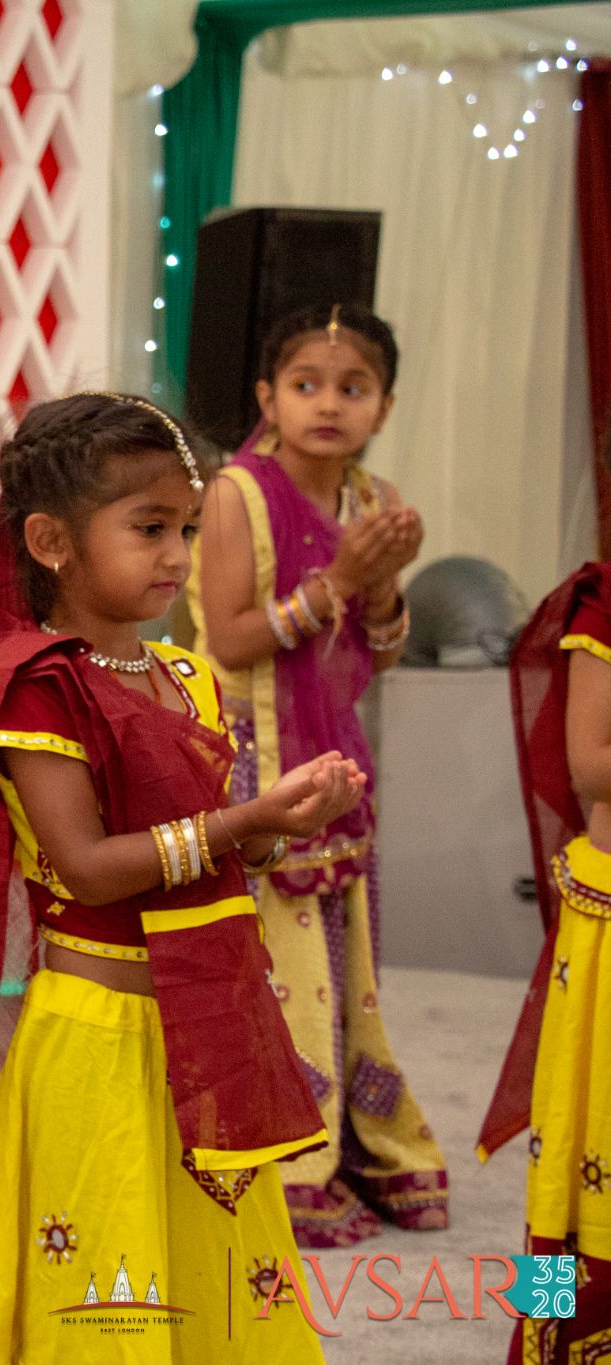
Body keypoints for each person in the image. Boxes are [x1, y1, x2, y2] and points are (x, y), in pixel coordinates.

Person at [0, 392, 362, 1364]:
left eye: (184, 528)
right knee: (102, 1288)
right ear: (51, 540)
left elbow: (220, 854)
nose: (177, 555)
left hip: (207, 1027)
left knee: (215, 1274)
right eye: (148, 529)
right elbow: (87, 870)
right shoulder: (34, 685)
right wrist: (242, 820)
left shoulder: (185, 679)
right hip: (94, 1041)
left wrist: (275, 830)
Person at [188, 302, 448, 1247]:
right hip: (254, 770)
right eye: (306, 385)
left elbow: (373, 654)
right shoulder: (237, 494)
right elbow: (231, 636)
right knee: (282, 972)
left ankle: (350, 1140)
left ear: (383, 404)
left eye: (353, 387)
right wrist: (340, 582)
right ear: (267, 396)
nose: (328, 404)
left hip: (337, 761)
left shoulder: (373, 502)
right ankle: (282, 1160)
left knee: (345, 975)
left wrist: (379, 589)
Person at [478, 559, 611, 1361]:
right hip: (608, 928)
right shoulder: (605, 601)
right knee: (572, 1142)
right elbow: (590, 762)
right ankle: (551, 1333)